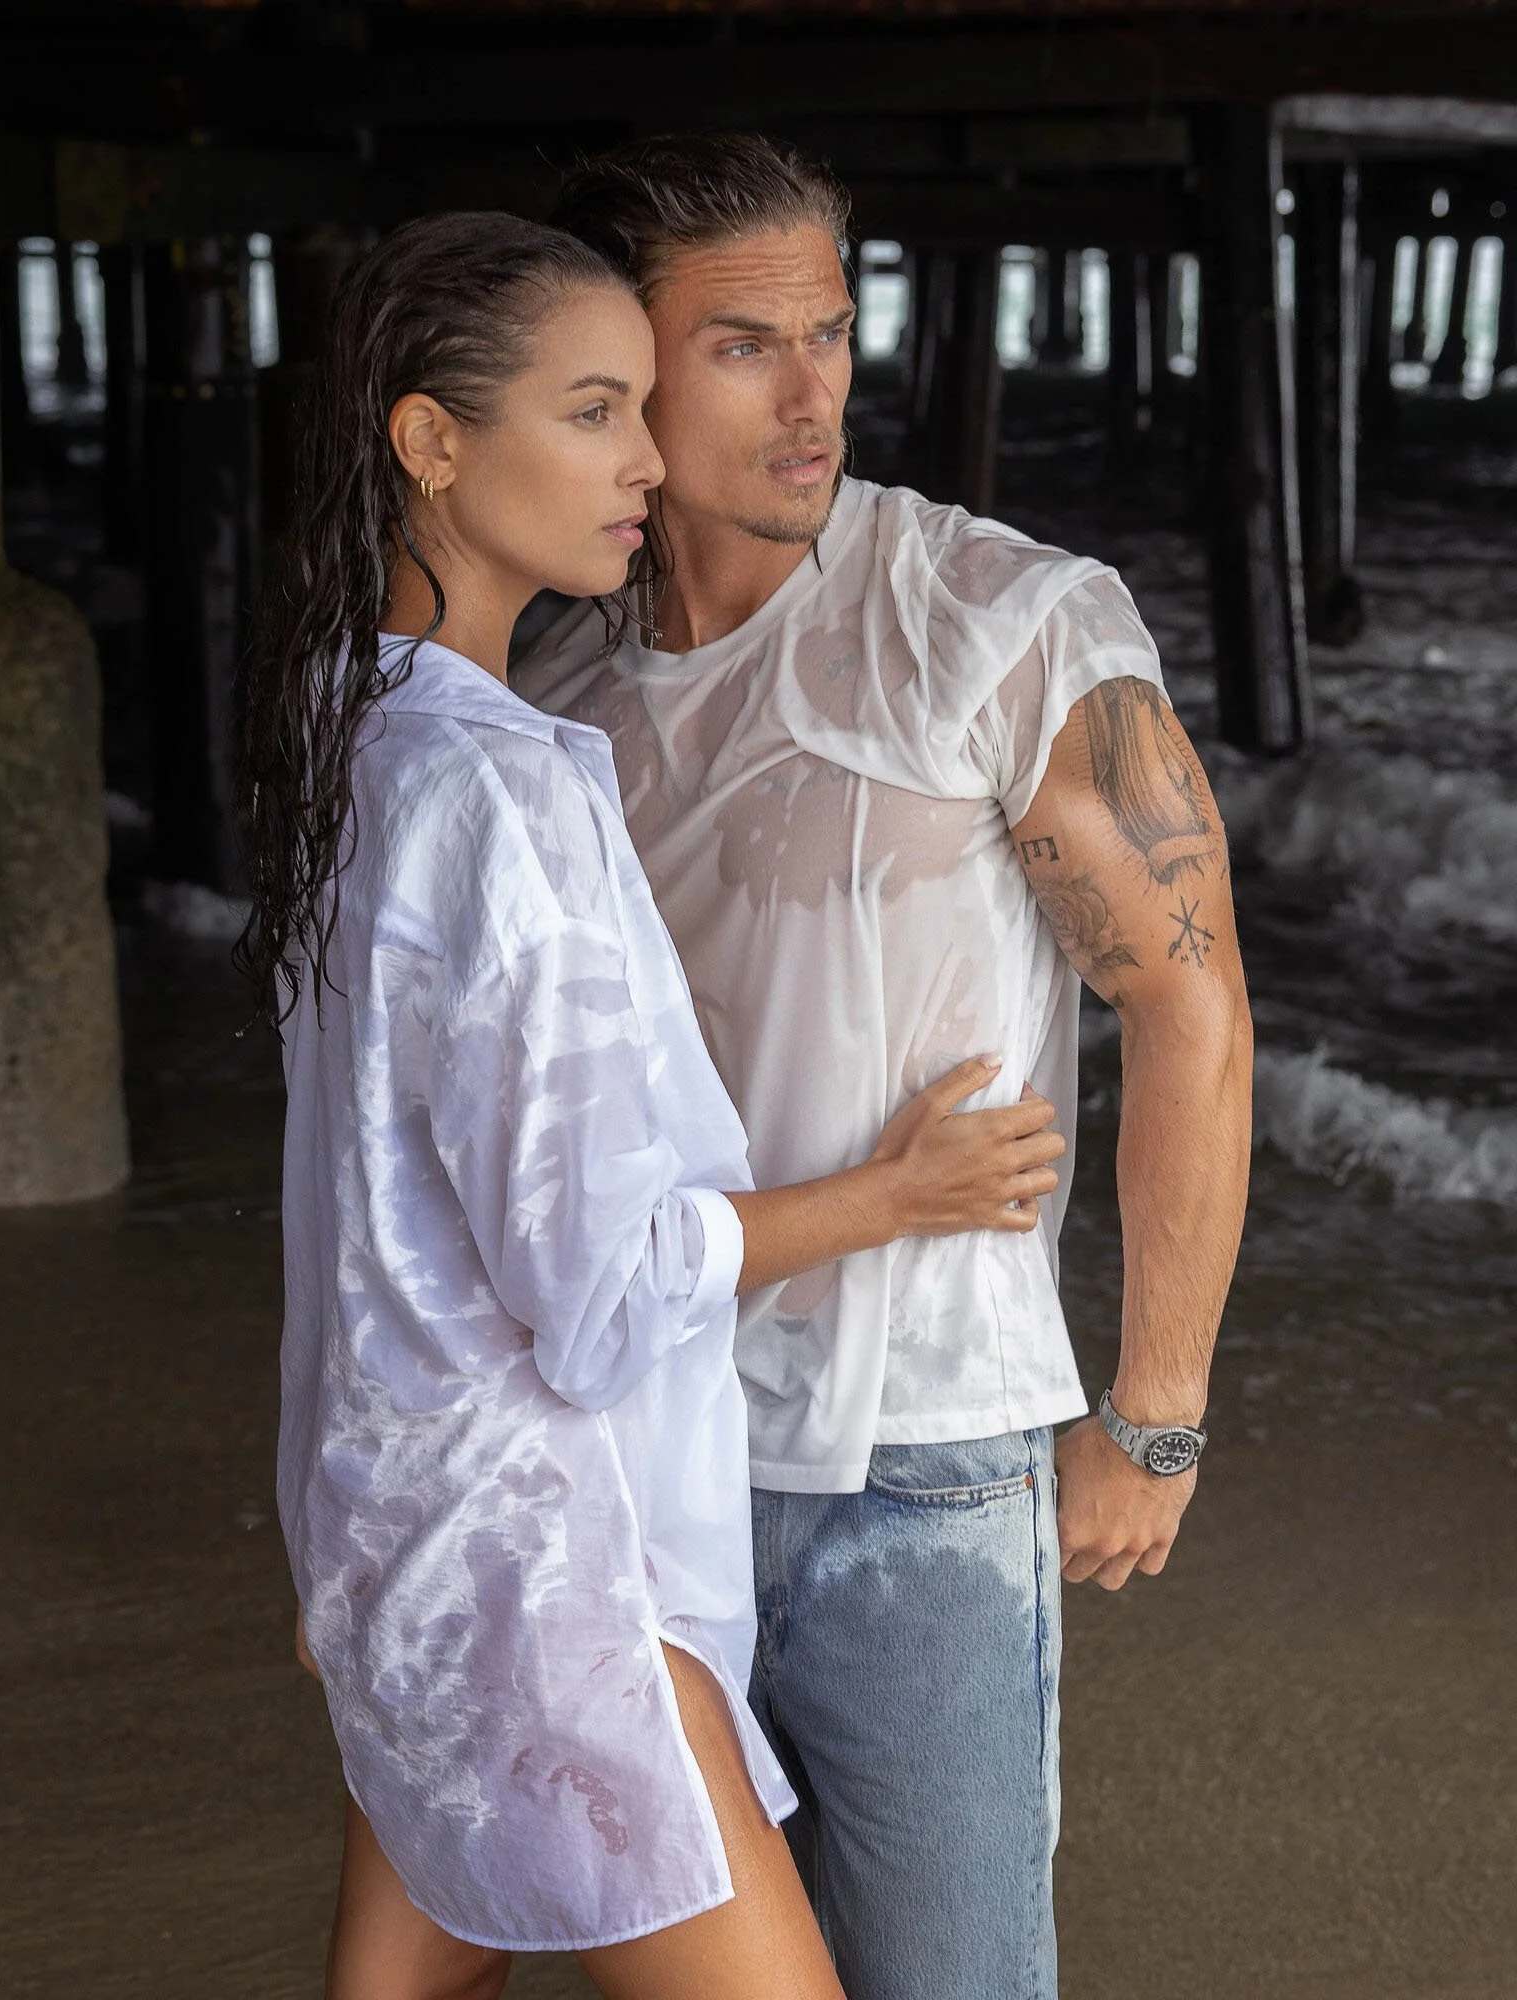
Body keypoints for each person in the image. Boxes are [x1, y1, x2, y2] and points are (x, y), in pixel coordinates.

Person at [237, 211, 1068, 2000]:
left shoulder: (348, 737)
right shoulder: (506, 790)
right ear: (432, 440)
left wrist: (347, 1556)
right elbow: (602, 1287)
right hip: (549, 1583)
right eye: (597, 411)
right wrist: (897, 1194)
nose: (645, 461)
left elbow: (356, 1222)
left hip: (398, 1541)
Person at [520, 134, 1255, 2000]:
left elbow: (1188, 1003)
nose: (813, 390)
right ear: (620, 372)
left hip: (919, 1458)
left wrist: (1152, 1412)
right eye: (744, 345)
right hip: (642, 1460)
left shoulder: (998, 620)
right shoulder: (559, 692)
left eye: (832, 333)